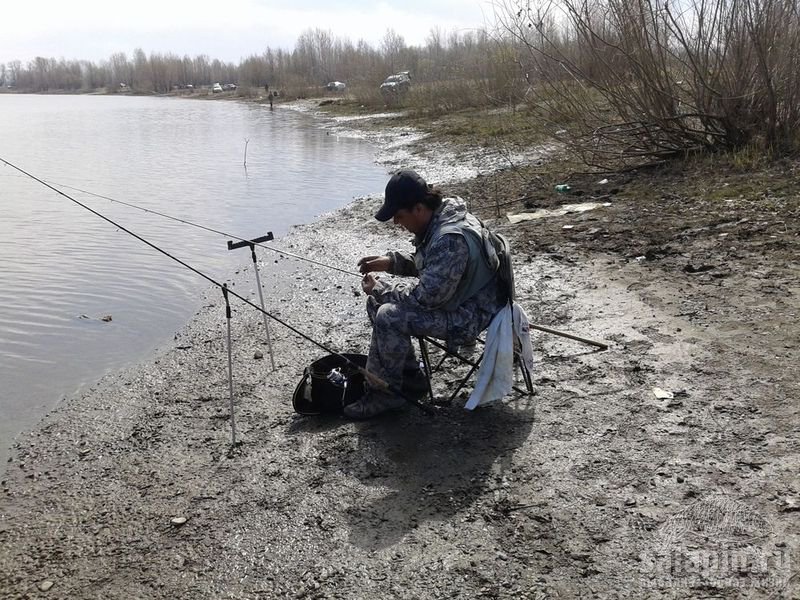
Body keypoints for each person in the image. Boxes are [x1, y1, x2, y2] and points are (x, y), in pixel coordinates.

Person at [344, 169, 506, 419]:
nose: (397, 223)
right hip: (464, 300)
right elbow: (434, 266)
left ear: (418, 208)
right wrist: (390, 262)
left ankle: (387, 396)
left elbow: (426, 297)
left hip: (472, 315)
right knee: (377, 302)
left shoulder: (449, 239)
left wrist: (381, 287)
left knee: (388, 314)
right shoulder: (444, 218)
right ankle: (410, 380)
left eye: (399, 216)